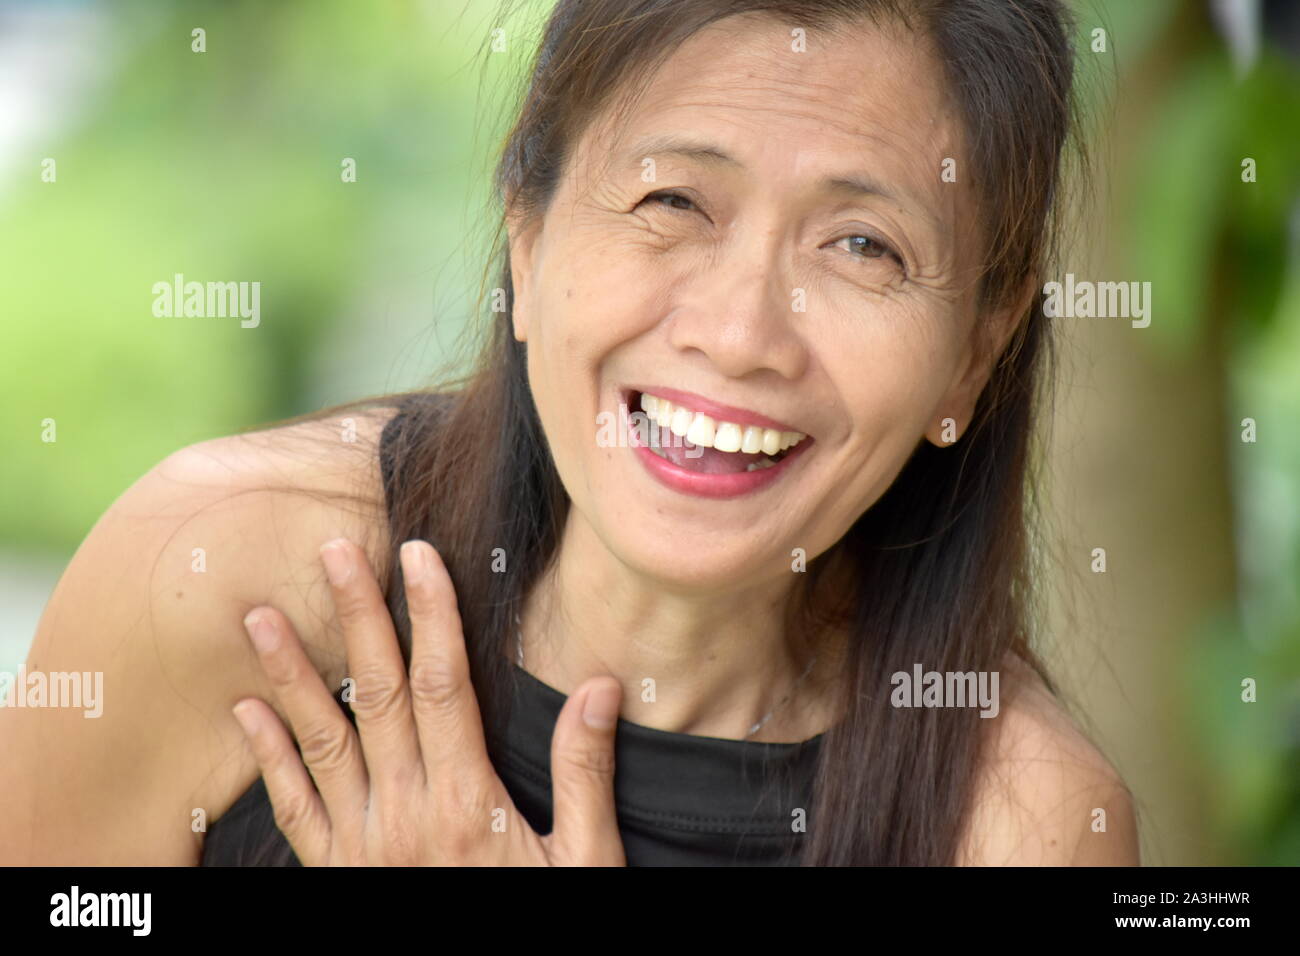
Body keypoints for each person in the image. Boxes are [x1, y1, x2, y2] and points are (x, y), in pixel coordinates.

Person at [1, 0, 1139, 866]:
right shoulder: (216, 578)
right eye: (672, 202)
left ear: (976, 354)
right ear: (528, 239)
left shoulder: (1022, 826)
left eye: (861, 247)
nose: (741, 334)